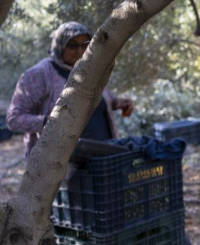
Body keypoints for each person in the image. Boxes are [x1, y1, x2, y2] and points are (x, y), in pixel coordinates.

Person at [7, 21, 134, 157]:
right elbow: (14, 119)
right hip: (60, 165)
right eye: (72, 45)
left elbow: (100, 100)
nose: (80, 51)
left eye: (85, 44)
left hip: (103, 157)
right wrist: (49, 121)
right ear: (59, 46)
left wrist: (116, 103)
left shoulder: (92, 69)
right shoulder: (38, 75)